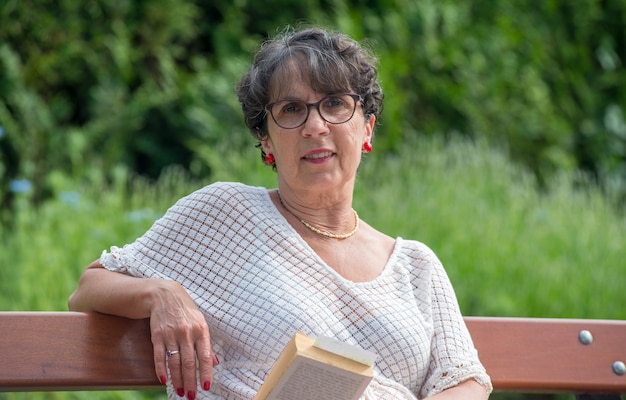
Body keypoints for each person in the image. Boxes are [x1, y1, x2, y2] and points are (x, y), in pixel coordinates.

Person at [68, 26, 492, 400]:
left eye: (335, 104)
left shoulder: (415, 265)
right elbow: (88, 287)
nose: (315, 126)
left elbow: (466, 379)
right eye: (291, 109)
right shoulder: (227, 216)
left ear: (367, 127)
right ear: (266, 140)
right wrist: (163, 294)